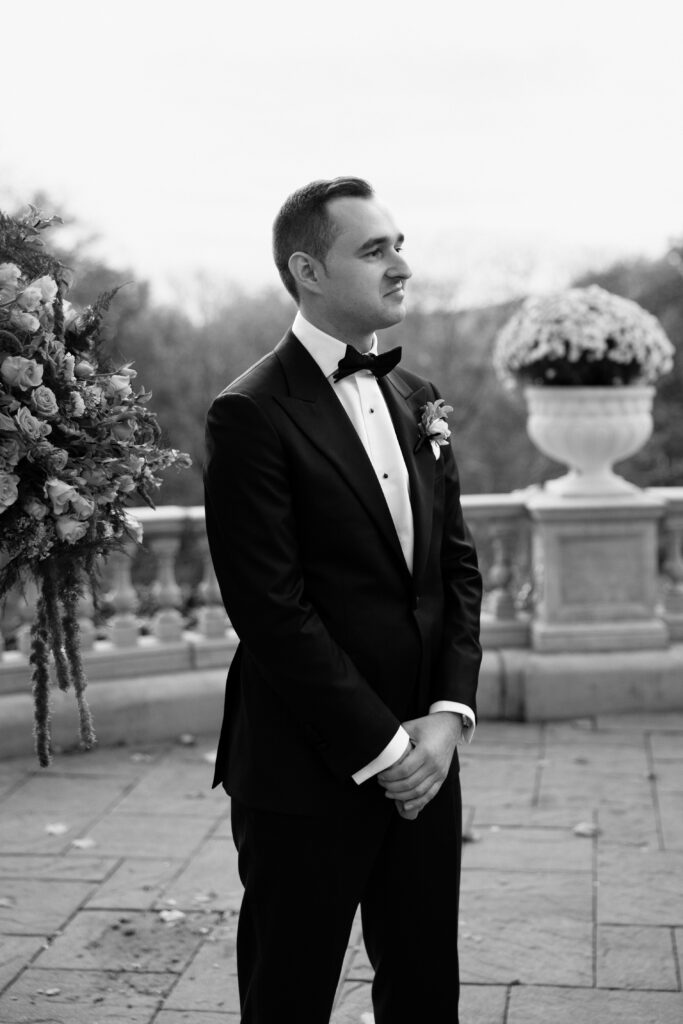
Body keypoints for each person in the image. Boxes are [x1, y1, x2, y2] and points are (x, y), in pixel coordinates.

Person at [204, 176, 482, 1024]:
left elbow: (455, 568)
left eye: (398, 245)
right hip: (304, 766)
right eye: (373, 250)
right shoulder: (249, 412)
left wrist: (447, 716)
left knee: (425, 989)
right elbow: (270, 609)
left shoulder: (417, 396)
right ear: (308, 271)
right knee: (288, 997)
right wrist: (384, 747)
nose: (400, 265)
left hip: (428, 757)